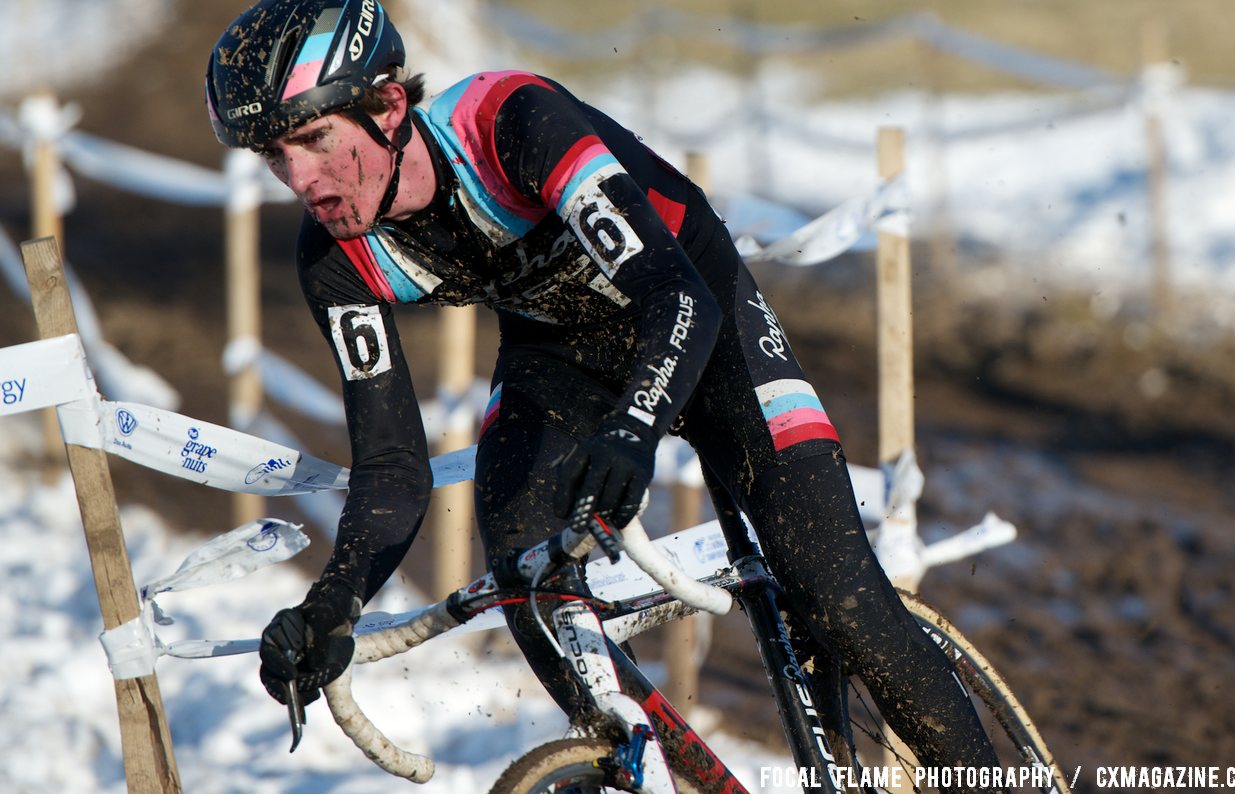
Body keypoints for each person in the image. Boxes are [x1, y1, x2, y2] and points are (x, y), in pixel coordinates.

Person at [206, 1, 1005, 789]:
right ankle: (646, 766)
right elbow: (390, 465)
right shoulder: (336, 260)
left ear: (388, 105)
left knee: (840, 601)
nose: (300, 180)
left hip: (696, 316)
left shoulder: (510, 122)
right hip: (560, 355)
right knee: (528, 583)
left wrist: (636, 429)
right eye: (276, 155)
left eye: (314, 139)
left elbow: (678, 299)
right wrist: (332, 605)